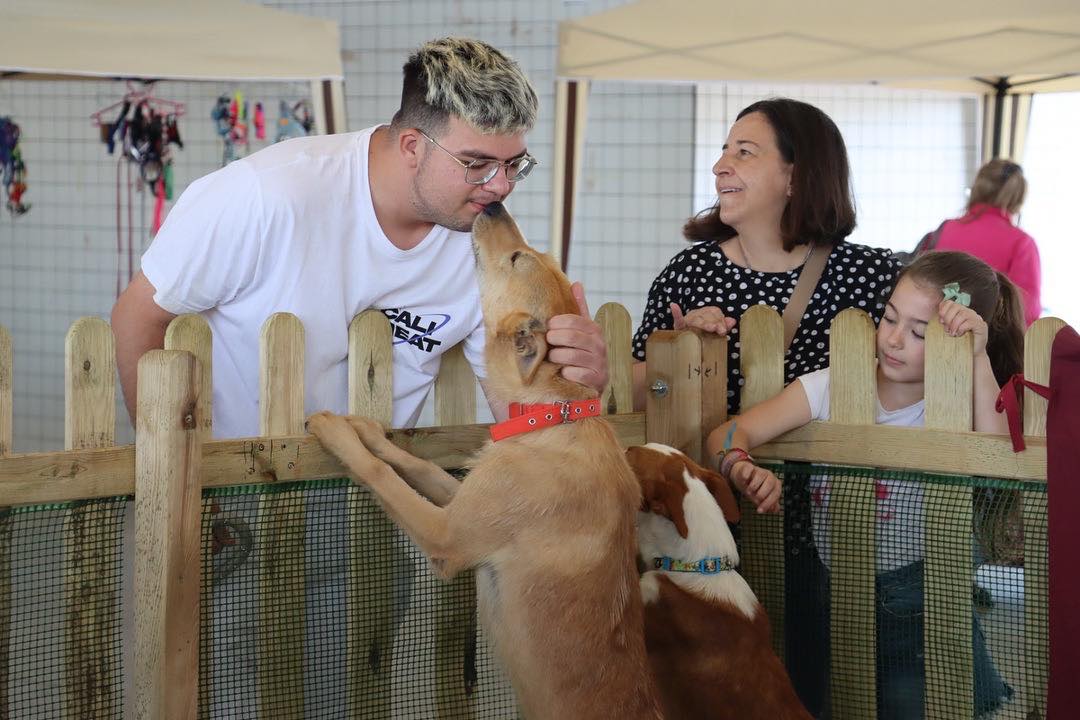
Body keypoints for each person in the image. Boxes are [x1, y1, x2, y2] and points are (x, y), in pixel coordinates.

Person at [111, 37, 608, 438]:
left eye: (512, 165)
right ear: (413, 145)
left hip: (371, 506)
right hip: (233, 496)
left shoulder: (482, 243)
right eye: (476, 164)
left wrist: (573, 389)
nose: (499, 186)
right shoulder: (266, 195)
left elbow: (517, 417)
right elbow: (138, 316)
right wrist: (175, 469)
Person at [629, 97, 902, 715]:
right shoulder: (688, 274)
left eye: (744, 152)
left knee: (818, 689)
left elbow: (939, 329)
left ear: (797, 175)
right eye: (724, 150)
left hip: (835, 541)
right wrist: (679, 347)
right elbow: (636, 390)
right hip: (704, 538)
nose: (722, 164)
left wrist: (957, 310)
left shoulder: (871, 275)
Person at [706, 250, 1022, 719]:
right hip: (834, 596)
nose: (894, 340)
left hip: (921, 604)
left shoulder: (955, 403)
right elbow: (727, 433)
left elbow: (998, 469)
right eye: (889, 318)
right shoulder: (830, 387)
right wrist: (738, 465)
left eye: (918, 332)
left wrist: (975, 358)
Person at [919, 158, 1041, 326]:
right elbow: (1027, 312)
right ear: (1018, 197)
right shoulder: (1022, 243)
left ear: (977, 186)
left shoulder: (945, 229)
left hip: (933, 334)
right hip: (988, 344)